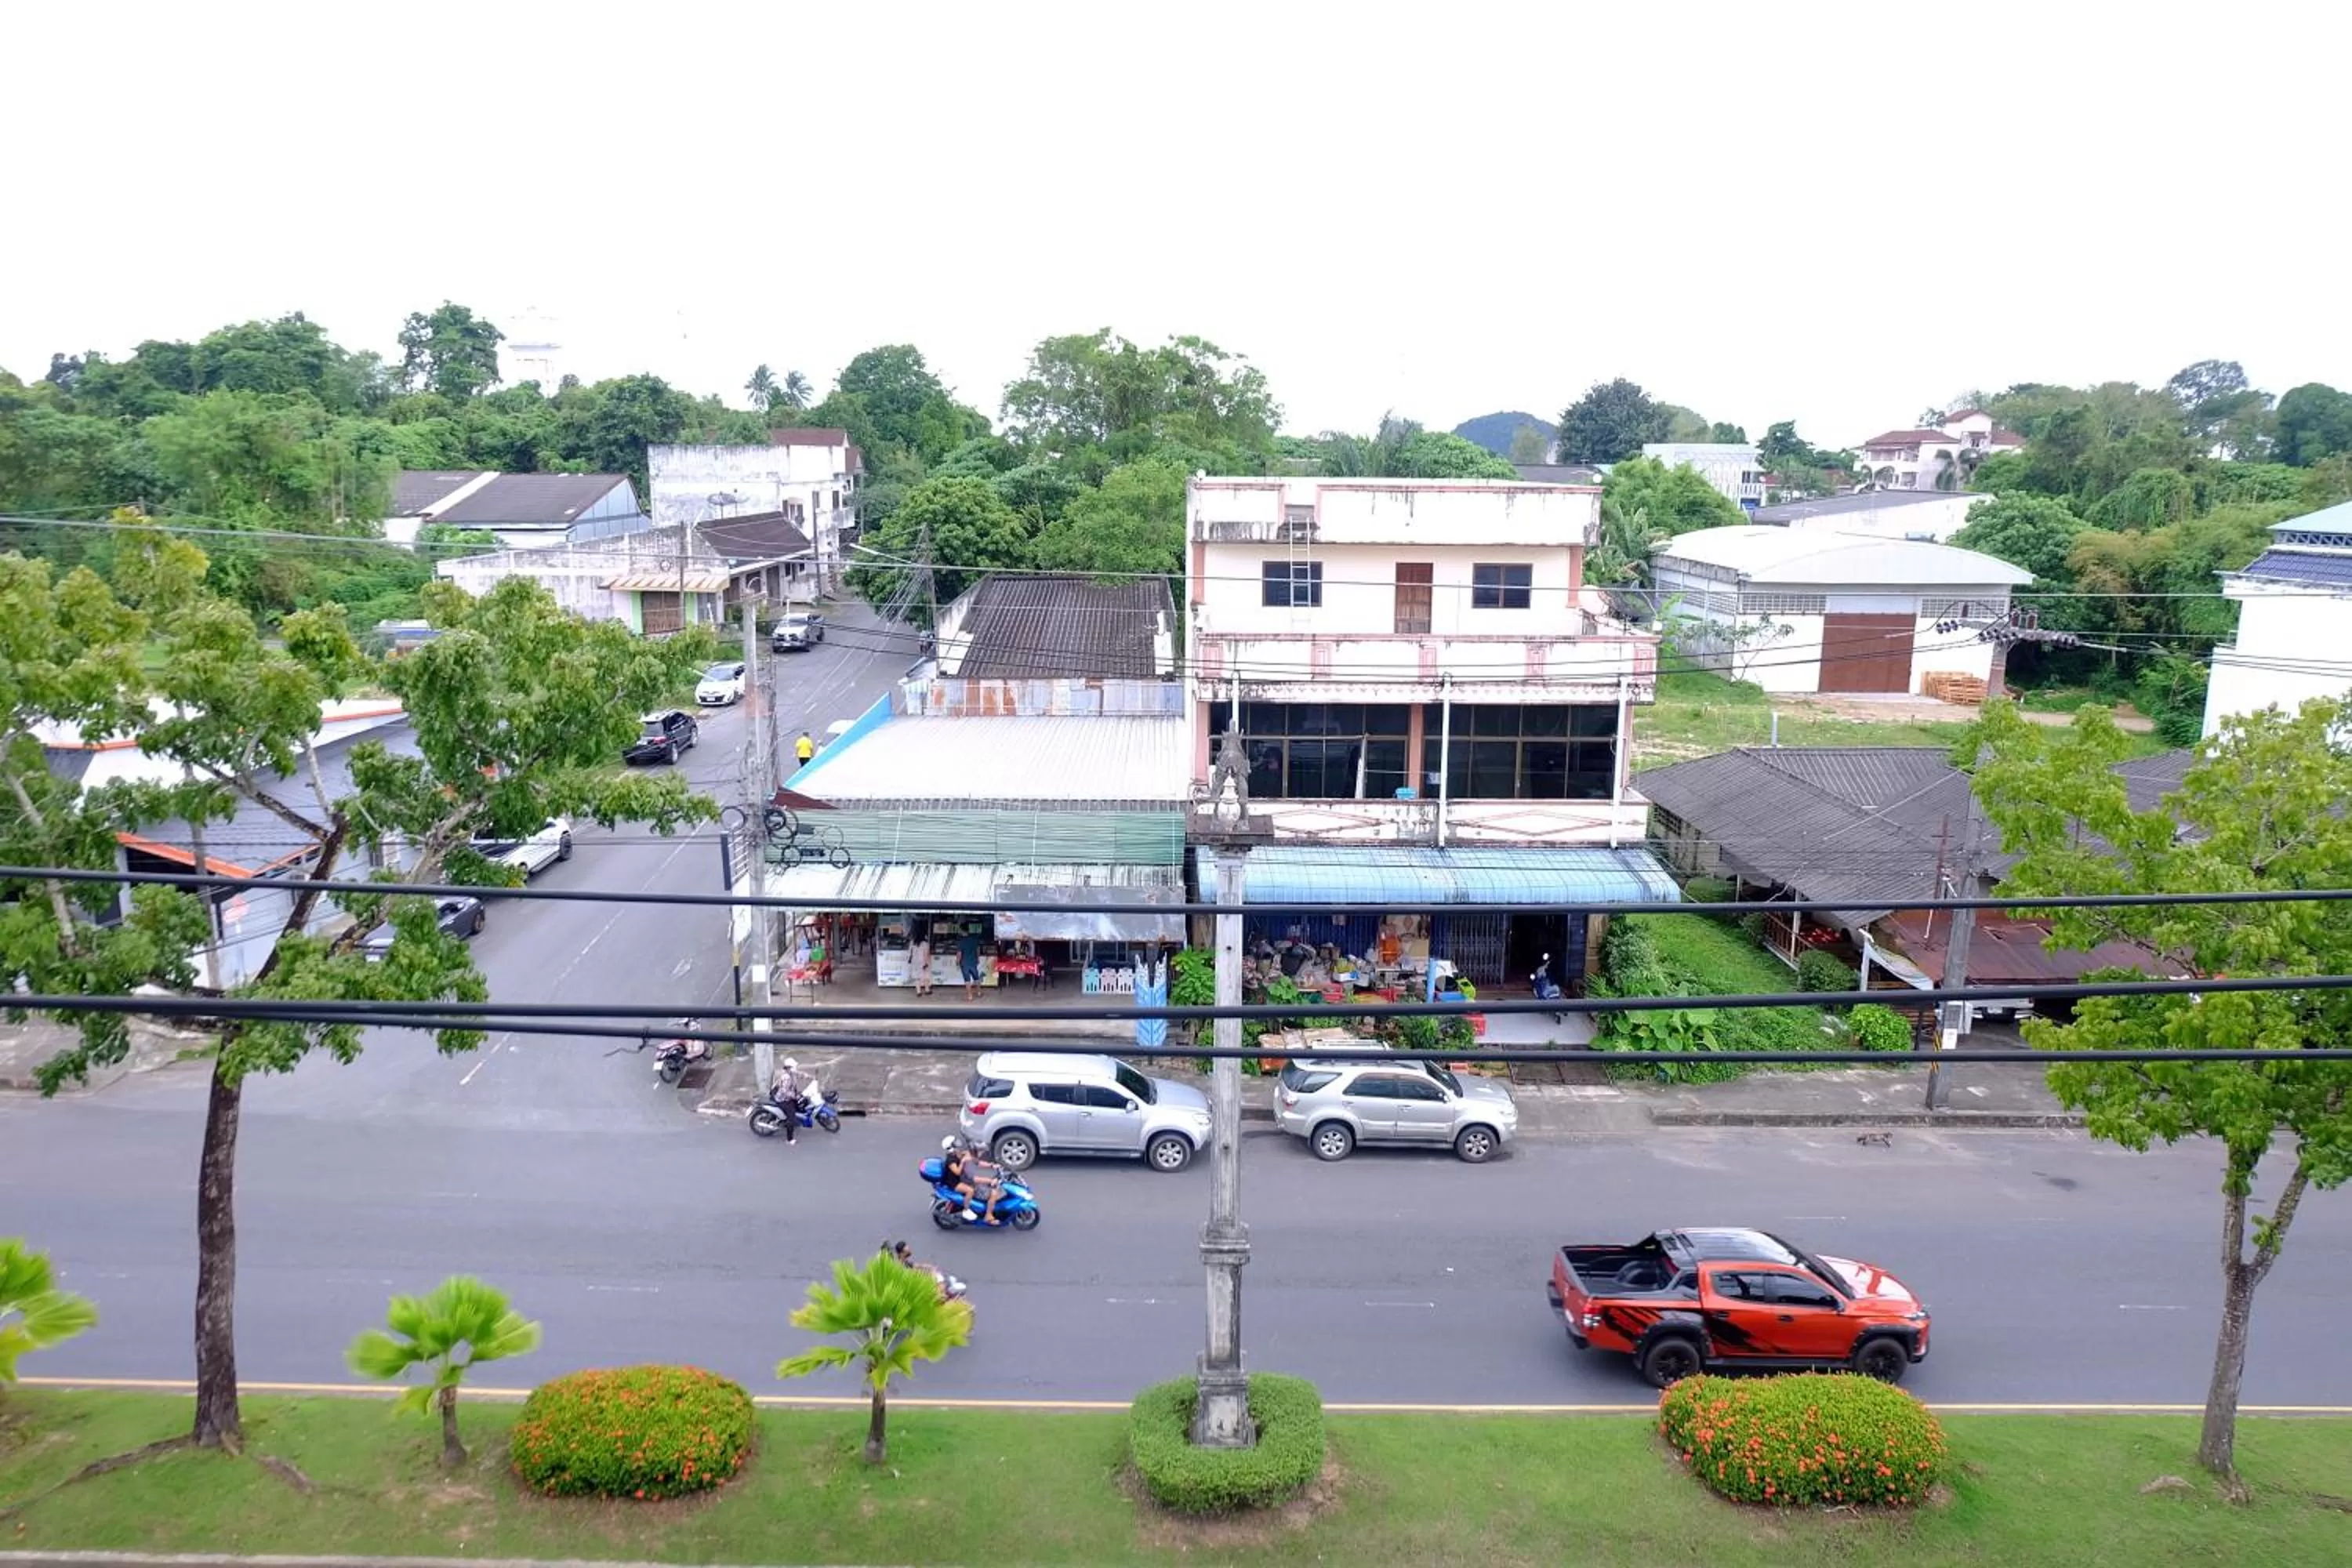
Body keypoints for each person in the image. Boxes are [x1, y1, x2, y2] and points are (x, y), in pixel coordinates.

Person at [770, 1056, 809, 1145]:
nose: (795, 1068)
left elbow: (799, 1074)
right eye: (793, 1066)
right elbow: (785, 1091)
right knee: (791, 1118)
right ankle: (789, 1139)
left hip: (790, 1096)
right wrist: (795, 1097)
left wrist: (808, 1076)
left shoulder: (792, 1073)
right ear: (789, 1068)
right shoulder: (786, 1077)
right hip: (784, 1100)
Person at [957, 926, 983, 1002]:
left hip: (964, 963)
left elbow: (959, 953)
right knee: (976, 978)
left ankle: (970, 996)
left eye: (960, 931)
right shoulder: (974, 939)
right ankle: (979, 992)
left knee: (967, 980)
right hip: (973, 962)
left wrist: (958, 962)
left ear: (963, 931)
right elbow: (978, 949)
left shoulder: (961, 941)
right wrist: (978, 958)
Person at [910, 926, 932, 997]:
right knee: (926, 976)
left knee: (917, 977)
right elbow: (926, 954)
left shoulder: (912, 942)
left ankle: (918, 992)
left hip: (915, 962)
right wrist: (926, 963)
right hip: (923, 962)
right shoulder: (925, 944)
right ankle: (927, 990)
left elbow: (910, 952)